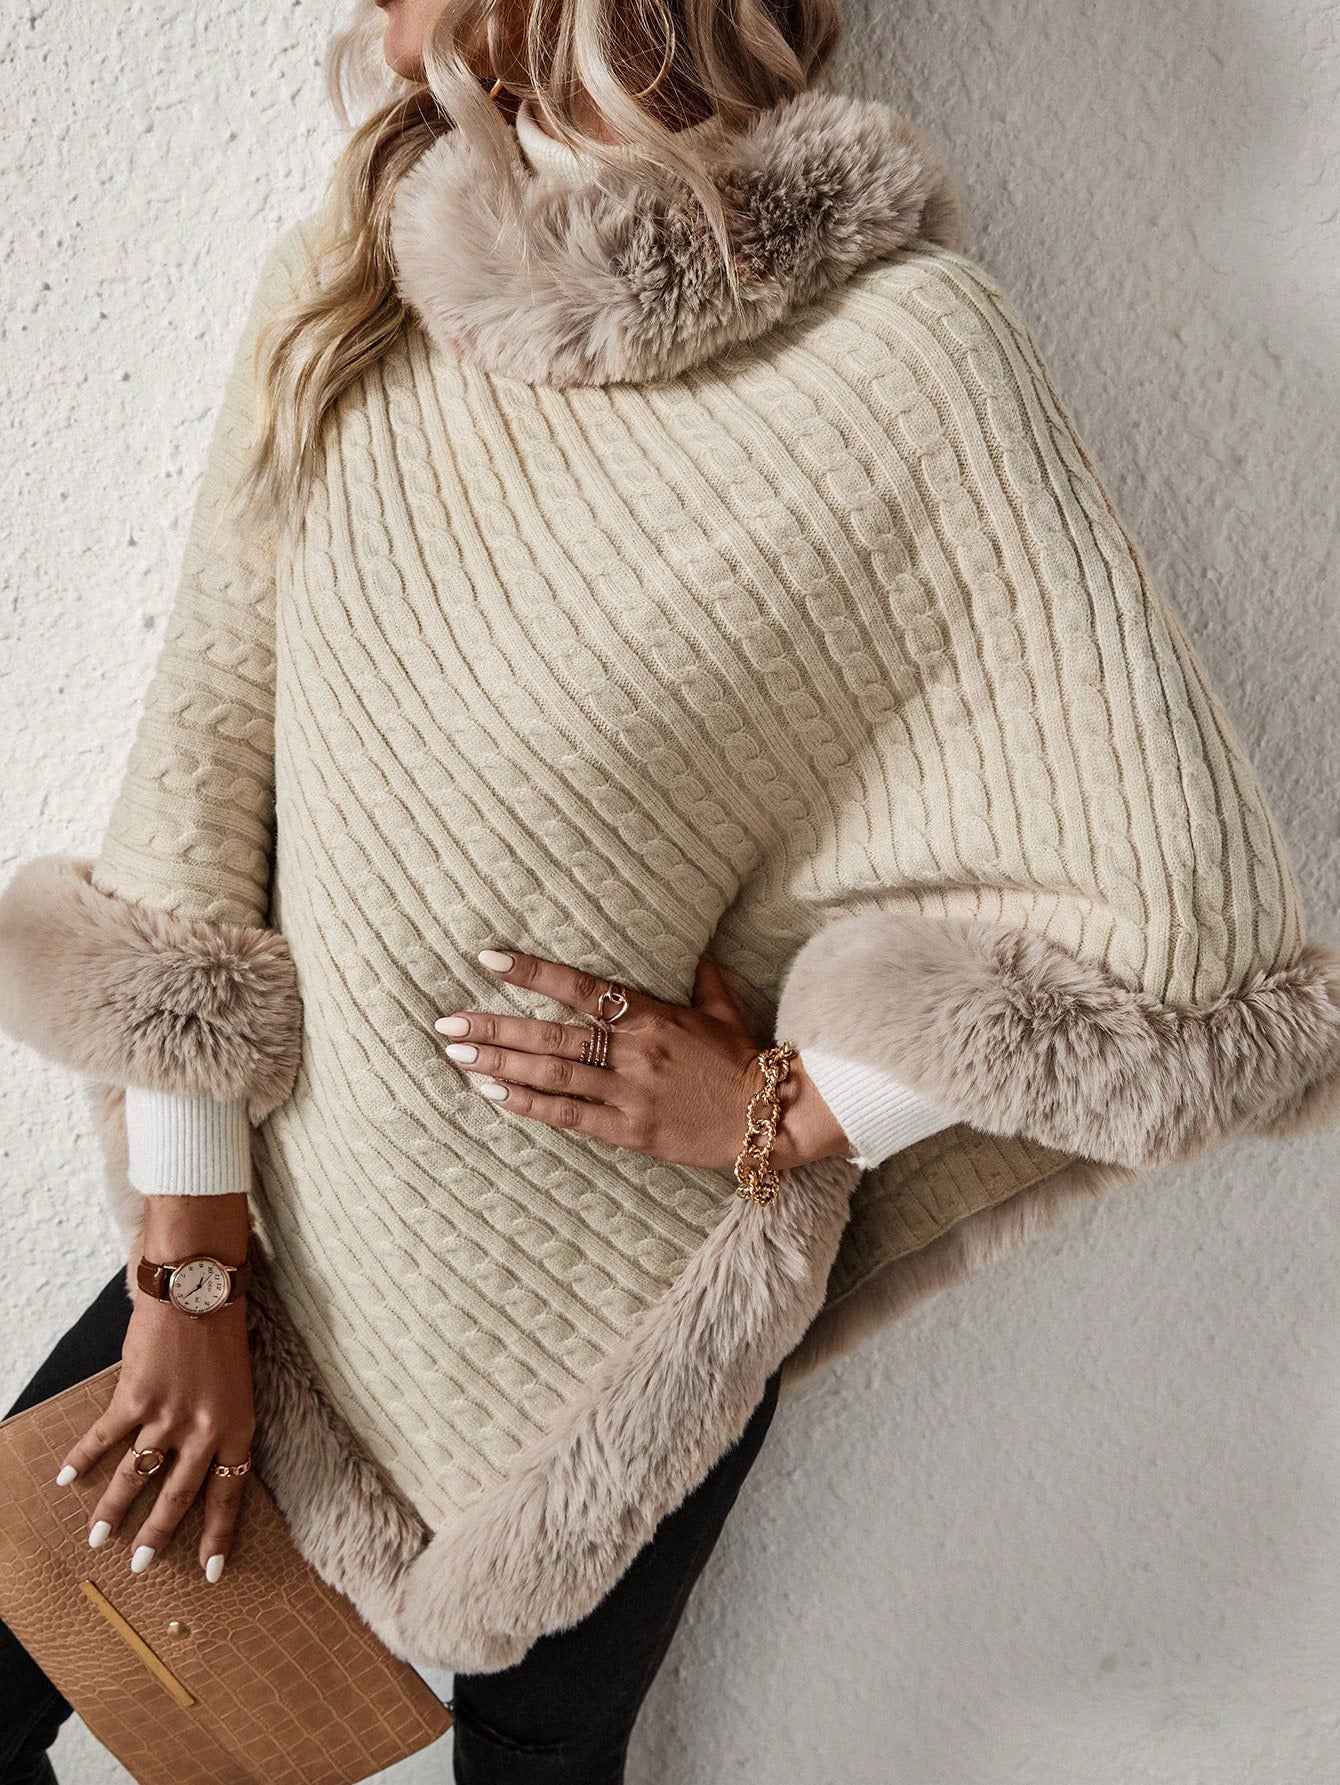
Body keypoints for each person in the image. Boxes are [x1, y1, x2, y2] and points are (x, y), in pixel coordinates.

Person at [1, 0, 1336, 1779]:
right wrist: (187, 1275)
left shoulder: (910, 354)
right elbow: (197, 785)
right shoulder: (354, 287)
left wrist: (783, 1107)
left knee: (544, 1765)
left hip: (643, 1298)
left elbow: (1184, 925)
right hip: (277, 1220)